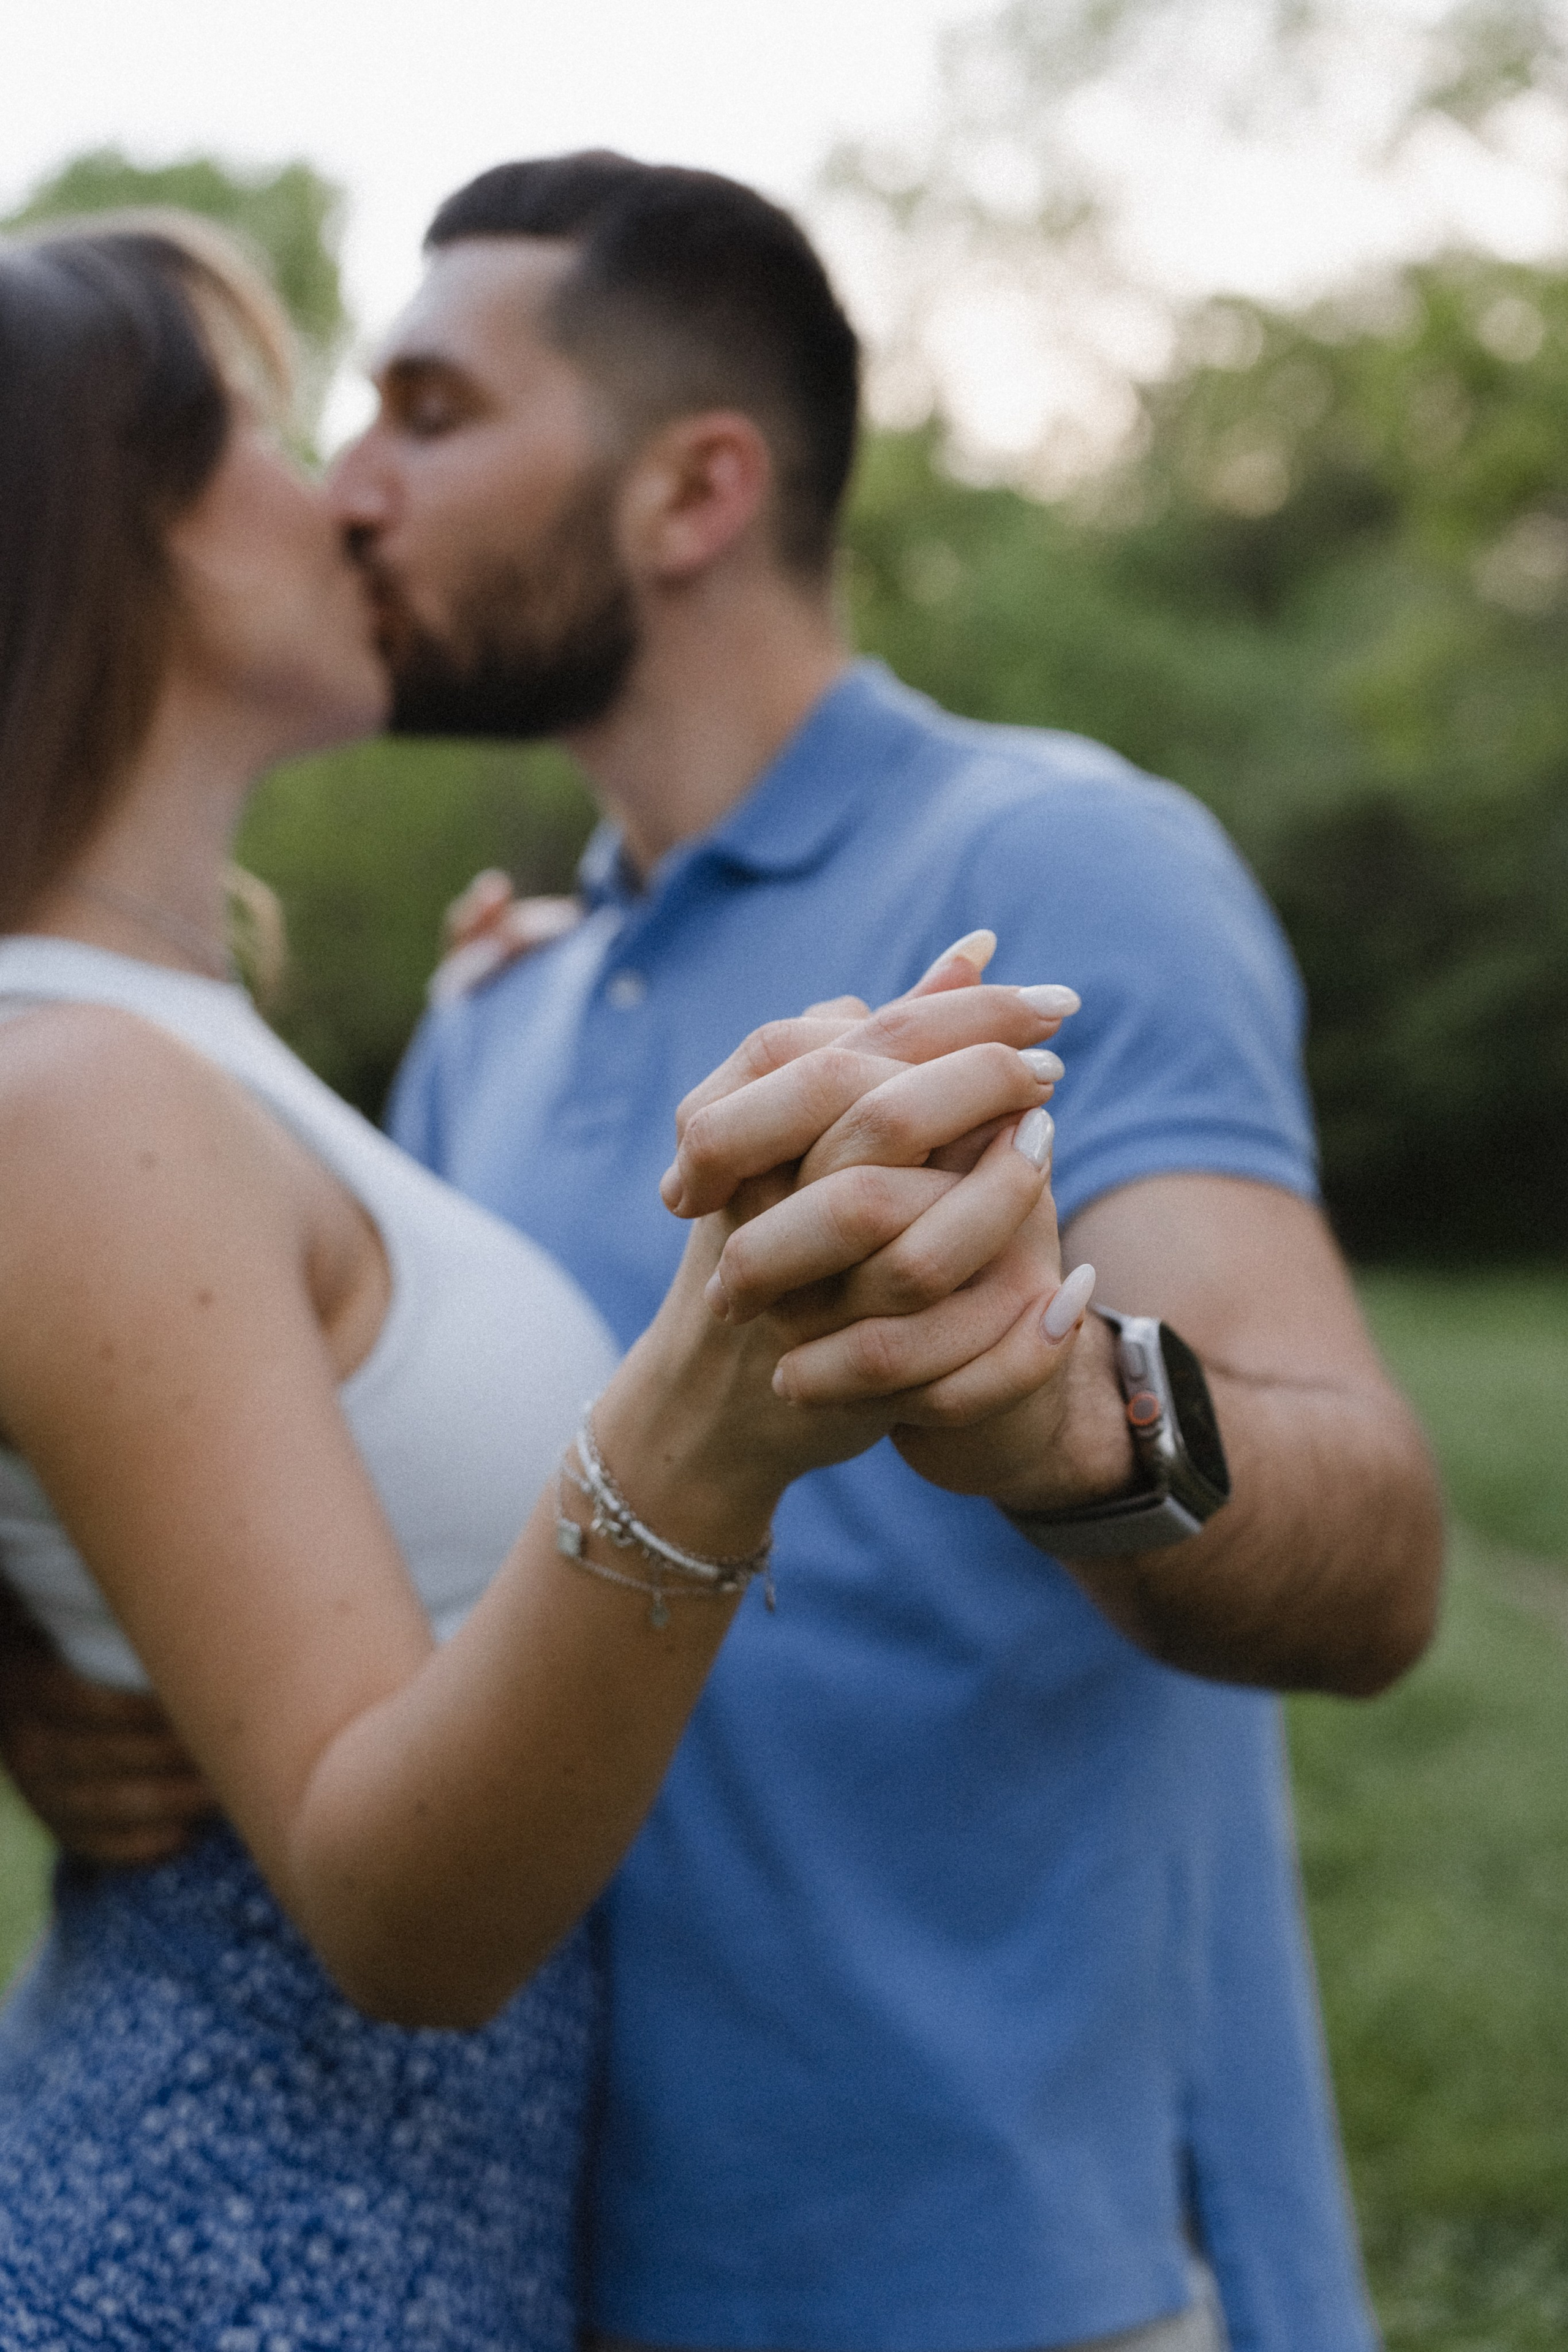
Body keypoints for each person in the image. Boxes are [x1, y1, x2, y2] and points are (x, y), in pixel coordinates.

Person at [0, 162, 1446, 2350]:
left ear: (691, 491)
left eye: (428, 412)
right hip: (571, 2272)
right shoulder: (500, 1011)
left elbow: (1388, 1554)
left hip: (1009, 2273)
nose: (357, 490)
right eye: (323, 433)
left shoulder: (1051, 855)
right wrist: (47, 1652)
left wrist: (1064, 1415)